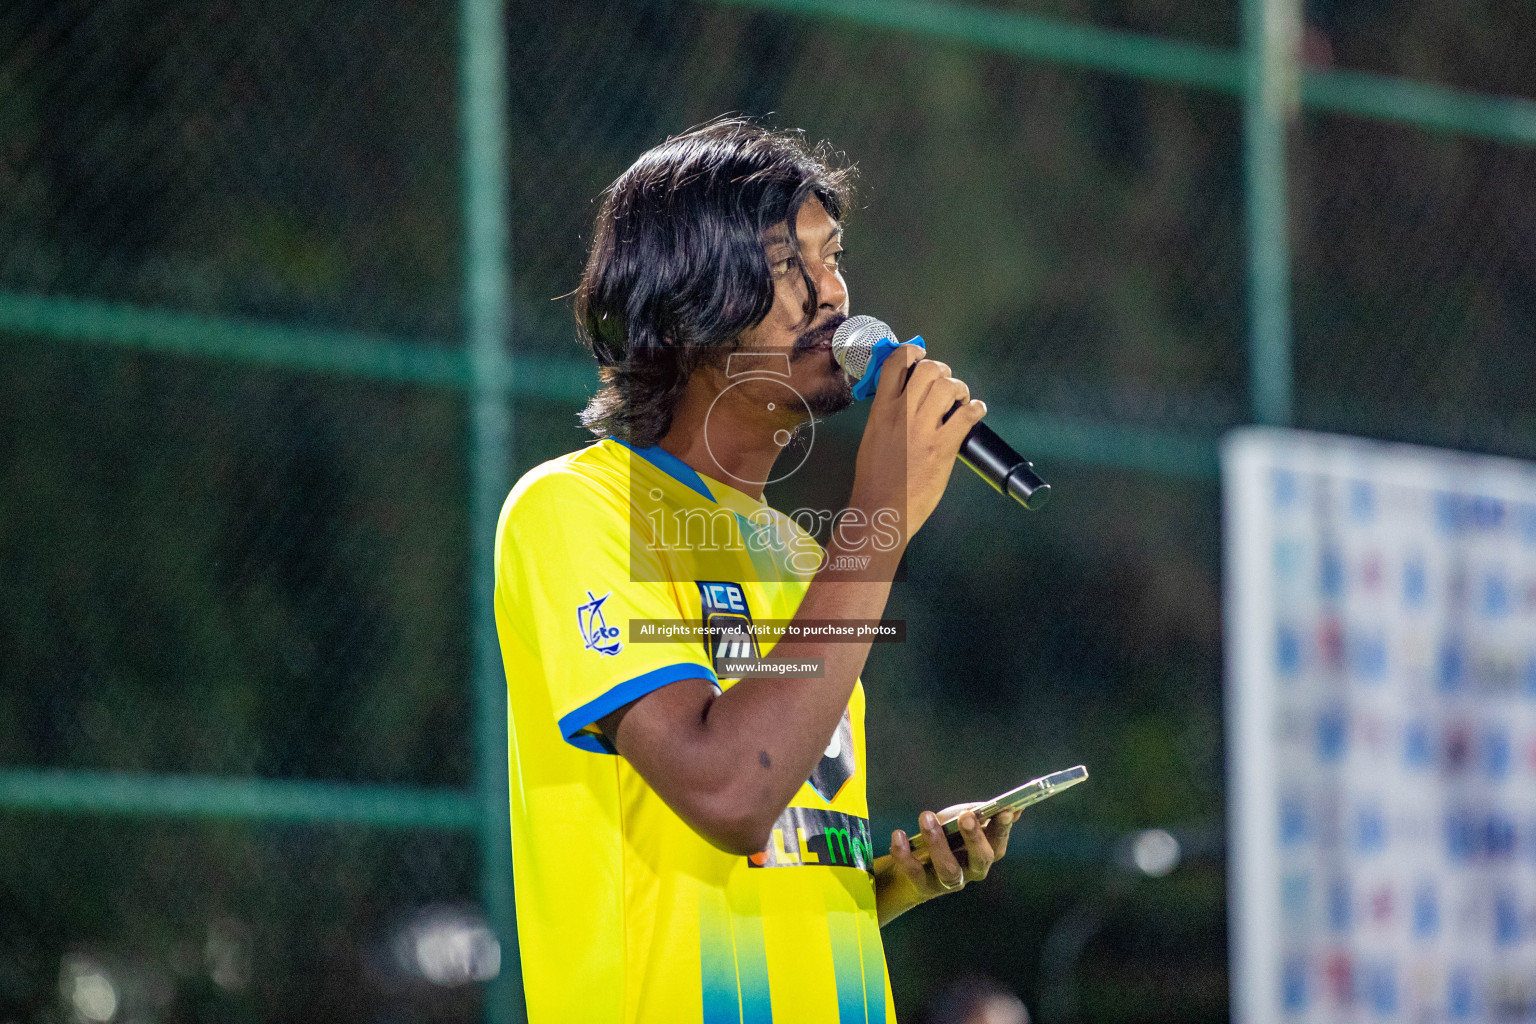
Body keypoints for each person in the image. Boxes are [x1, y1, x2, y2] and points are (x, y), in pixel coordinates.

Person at [493, 118, 1021, 1024]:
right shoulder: (576, 510)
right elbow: (729, 791)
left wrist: (889, 883)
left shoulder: (806, 554)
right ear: (685, 297)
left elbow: (771, 843)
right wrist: (880, 520)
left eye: (834, 254)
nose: (835, 294)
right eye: (788, 264)